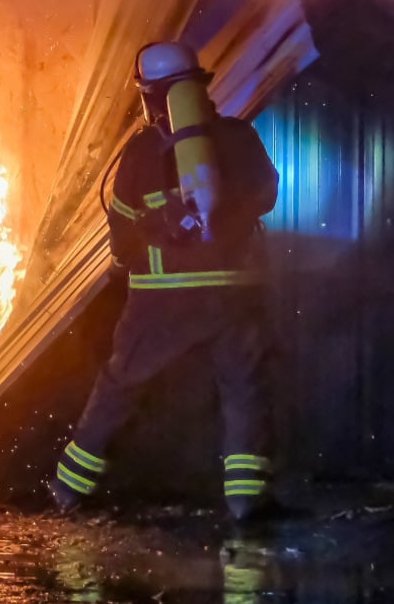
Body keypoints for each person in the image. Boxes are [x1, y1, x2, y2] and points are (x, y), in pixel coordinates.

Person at [48, 42, 280, 521]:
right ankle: (244, 503)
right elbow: (266, 194)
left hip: (162, 298)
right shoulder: (240, 137)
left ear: (151, 96)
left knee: (120, 385)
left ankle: (67, 492)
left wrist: (125, 258)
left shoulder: (140, 152)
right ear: (200, 85)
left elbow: (123, 226)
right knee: (244, 390)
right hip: (234, 293)